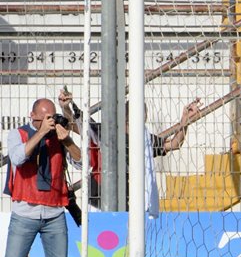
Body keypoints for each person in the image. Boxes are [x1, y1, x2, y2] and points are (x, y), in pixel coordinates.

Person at [58, 90, 201, 217]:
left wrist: (184, 122)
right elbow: (76, 126)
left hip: (132, 201)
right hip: (100, 199)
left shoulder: (145, 138)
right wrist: (66, 108)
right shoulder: (105, 133)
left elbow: (174, 144)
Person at [0, 98, 82, 257]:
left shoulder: (59, 135)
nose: (49, 122)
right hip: (24, 214)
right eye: (45, 118)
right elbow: (17, 158)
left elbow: (82, 162)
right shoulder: (18, 134)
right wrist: (40, 133)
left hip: (54, 214)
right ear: (32, 116)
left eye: (52, 117)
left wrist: (67, 142)